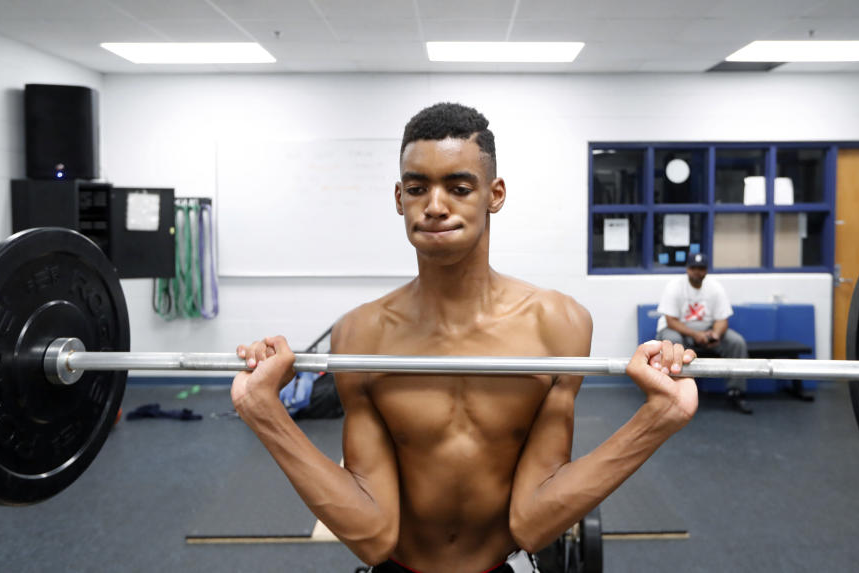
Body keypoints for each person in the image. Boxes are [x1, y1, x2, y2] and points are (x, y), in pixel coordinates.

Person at [230, 103, 699, 573]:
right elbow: (371, 533)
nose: (435, 206)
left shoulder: (558, 325)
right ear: (399, 197)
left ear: (494, 194)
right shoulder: (360, 333)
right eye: (417, 189)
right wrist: (264, 411)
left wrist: (660, 417)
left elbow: (534, 522)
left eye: (458, 187)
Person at [656, 252, 752, 414]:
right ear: (687, 269)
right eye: (693, 268)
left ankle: (736, 392)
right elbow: (671, 320)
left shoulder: (715, 288)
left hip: (707, 331)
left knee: (737, 342)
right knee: (672, 341)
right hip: (678, 329)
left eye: (701, 268)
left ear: (706, 270)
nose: (697, 272)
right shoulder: (674, 286)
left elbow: (722, 319)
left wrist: (715, 334)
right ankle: (668, 393)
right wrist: (695, 335)